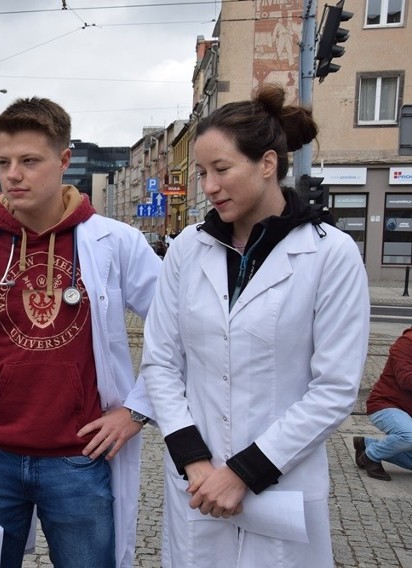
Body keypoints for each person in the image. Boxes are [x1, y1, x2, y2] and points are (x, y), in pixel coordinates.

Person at [0, 97, 162, 567]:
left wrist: (137, 410)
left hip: (79, 460)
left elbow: (182, 330)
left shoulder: (114, 242)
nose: (13, 174)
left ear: (63, 161)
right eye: (3, 161)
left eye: (30, 161)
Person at [141, 84, 370, 567]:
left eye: (221, 170)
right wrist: (194, 459)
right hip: (196, 480)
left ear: (268, 164)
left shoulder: (330, 253)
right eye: (202, 173)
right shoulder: (187, 249)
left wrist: (243, 472)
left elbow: (333, 388)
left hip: (279, 481)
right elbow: (161, 361)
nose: (208, 186)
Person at [354, 326, 412, 481]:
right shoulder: (406, 343)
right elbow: (406, 380)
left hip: (408, 411)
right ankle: (370, 456)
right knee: (409, 436)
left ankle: (367, 443)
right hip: (386, 404)